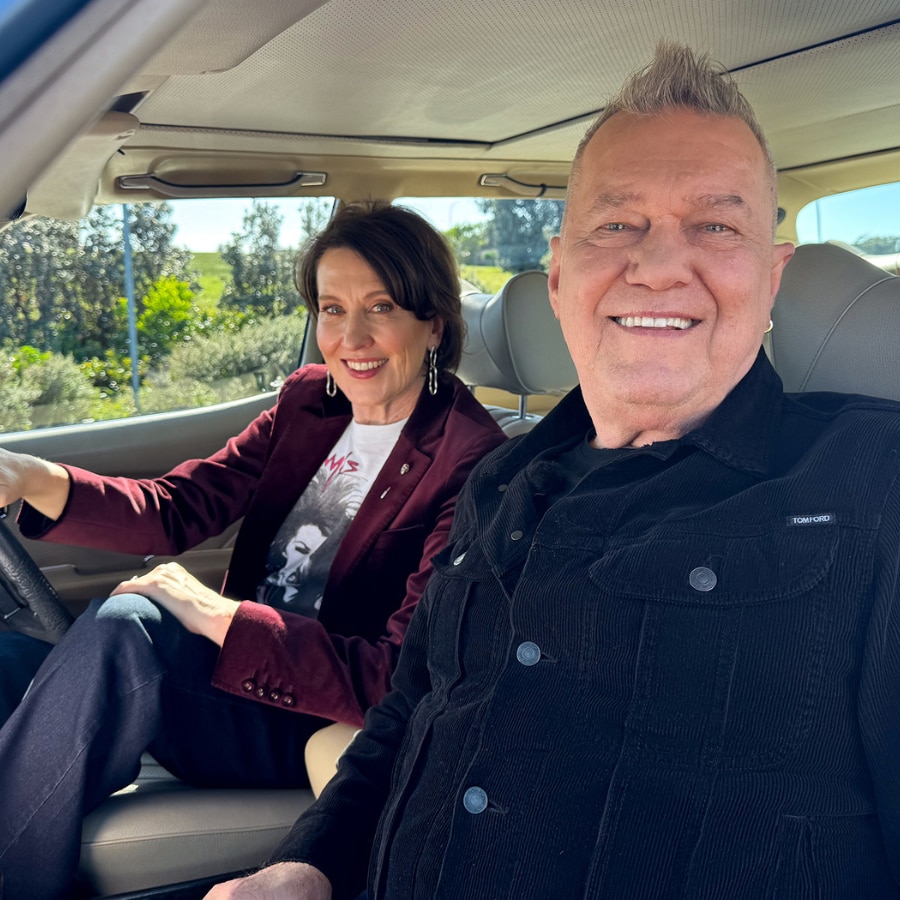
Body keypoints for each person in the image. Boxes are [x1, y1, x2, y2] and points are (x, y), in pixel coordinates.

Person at [206, 43, 900, 900]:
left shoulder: (875, 487)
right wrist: (306, 867)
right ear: (562, 273)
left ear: (772, 280)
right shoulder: (501, 480)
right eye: (617, 224)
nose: (659, 264)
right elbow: (412, 707)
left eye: (717, 226)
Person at [0, 200, 505, 898]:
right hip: (220, 680)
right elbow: (178, 509)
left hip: (305, 712)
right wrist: (31, 477)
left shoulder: (474, 462)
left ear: (434, 322)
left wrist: (219, 617)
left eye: (381, 307)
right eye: (332, 309)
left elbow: (397, 673)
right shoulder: (310, 405)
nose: (351, 337)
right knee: (8, 654)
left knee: (127, 630)